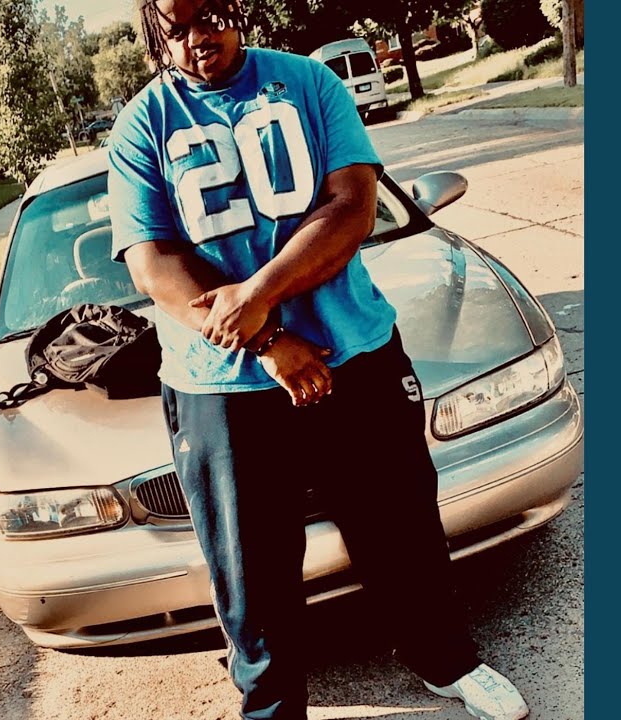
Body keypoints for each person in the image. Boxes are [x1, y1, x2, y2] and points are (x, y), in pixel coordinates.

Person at [106, 2, 531, 719]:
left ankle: (447, 661)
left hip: (353, 350)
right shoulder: (141, 125)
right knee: (252, 571)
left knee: (401, 528)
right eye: (175, 28)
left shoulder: (309, 81)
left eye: (207, 14)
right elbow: (153, 264)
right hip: (222, 382)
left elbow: (352, 206)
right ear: (156, 34)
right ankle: (273, 709)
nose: (196, 38)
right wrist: (267, 340)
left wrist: (259, 296)